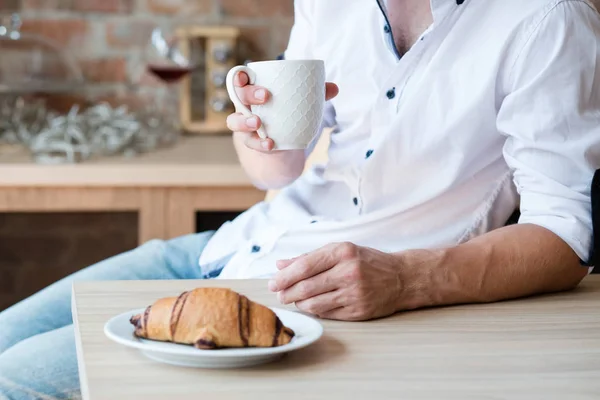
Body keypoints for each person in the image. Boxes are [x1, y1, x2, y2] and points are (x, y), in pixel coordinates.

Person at [1, 0, 599, 398]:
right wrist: (259, 130)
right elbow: (278, 168)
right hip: (235, 246)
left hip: (321, 293)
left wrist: (409, 280)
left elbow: (566, 236)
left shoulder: (548, 20)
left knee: (14, 379)